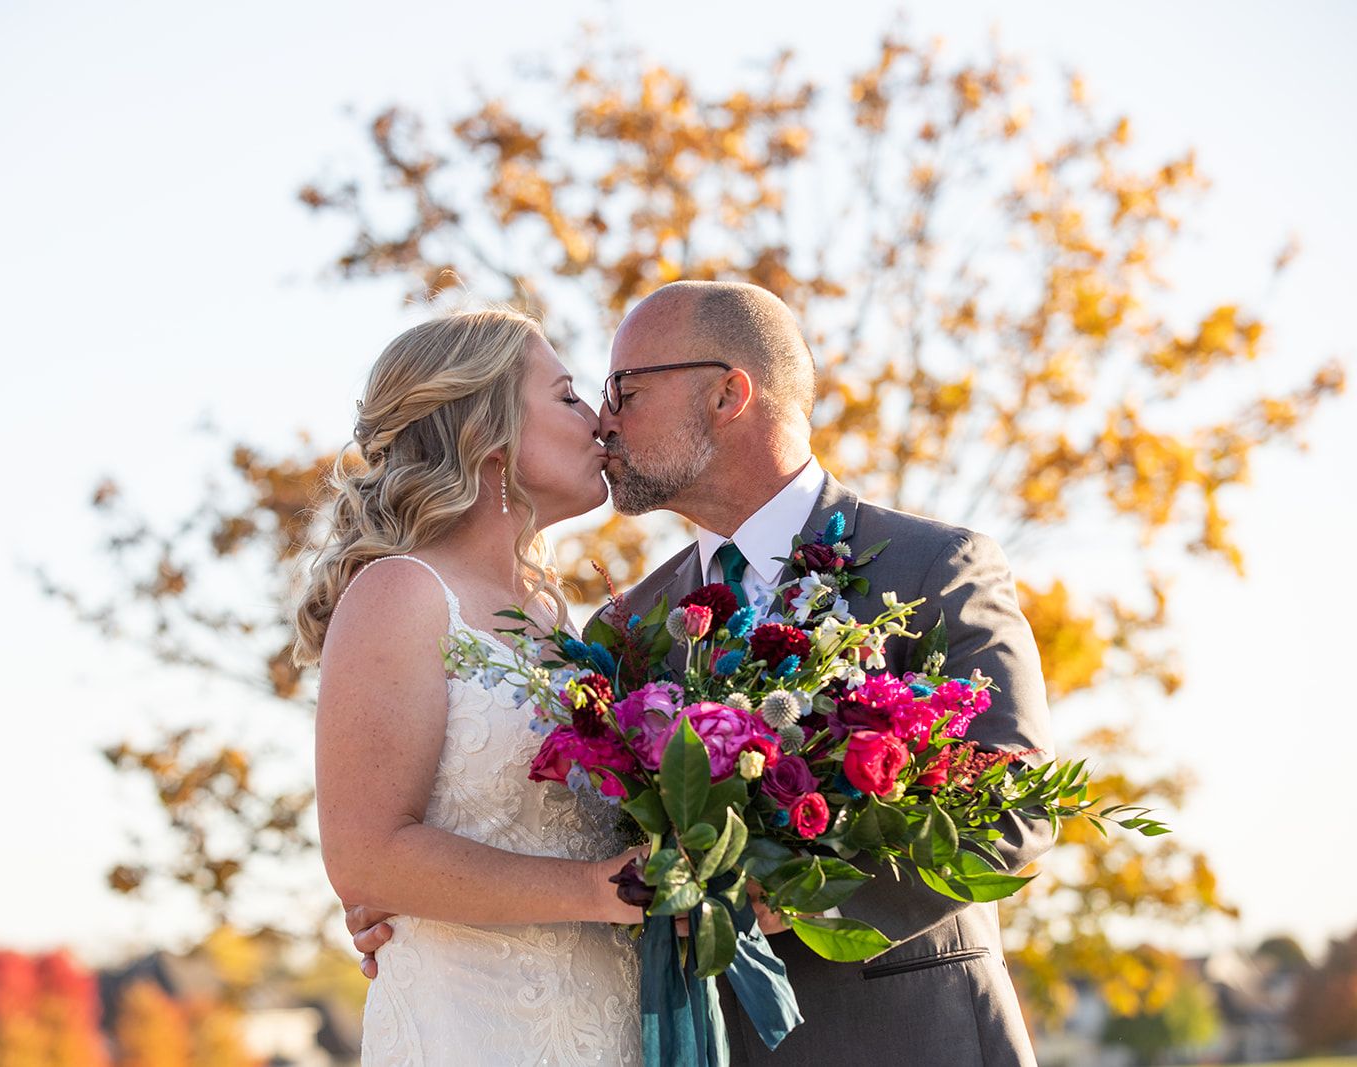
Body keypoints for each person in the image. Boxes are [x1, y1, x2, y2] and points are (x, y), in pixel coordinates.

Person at [351, 281, 1055, 1065]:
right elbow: (593, 843)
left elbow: (1011, 808)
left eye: (625, 389)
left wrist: (778, 897)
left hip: (911, 1037)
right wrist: (409, 898)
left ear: (727, 394)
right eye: (591, 394)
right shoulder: (626, 626)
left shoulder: (935, 566)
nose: (605, 420)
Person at [299, 308, 644, 1066]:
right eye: (566, 396)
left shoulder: (562, 620)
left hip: (610, 1026)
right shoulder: (402, 593)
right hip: (474, 1028)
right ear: (489, 435)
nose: (600, 421)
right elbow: (364, 855)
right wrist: (594, 891)